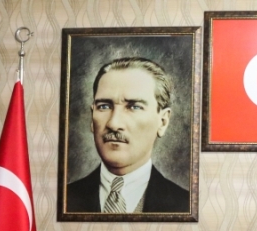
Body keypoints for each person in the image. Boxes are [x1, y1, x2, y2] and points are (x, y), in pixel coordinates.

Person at [66, 57, 190, 214]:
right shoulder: (64, 199)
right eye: (104, 106)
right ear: (92, 117)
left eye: (134, 107)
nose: (113, 123)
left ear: (163, 122)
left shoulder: (185, 205)